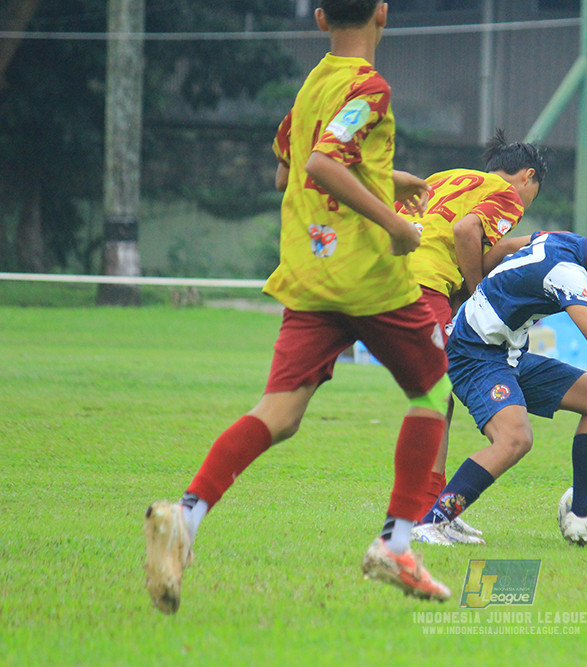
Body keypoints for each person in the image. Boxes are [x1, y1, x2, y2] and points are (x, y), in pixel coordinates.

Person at [142, 0, 453, 614]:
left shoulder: (313, 84)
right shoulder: (371, 87)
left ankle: (186, 516)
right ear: (383, 13)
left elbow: (290, 162)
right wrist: (397, 226)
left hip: (309, 276)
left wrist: (395, 178)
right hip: (368, 279)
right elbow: (321, 164)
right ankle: (397, 542)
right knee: (432, 391)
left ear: (318, 19)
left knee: (279, 413)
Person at [418, 206, 587, 546]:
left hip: (507, 355)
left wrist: (479, 291)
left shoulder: (561, 241)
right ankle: (432, 522)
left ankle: (586, 516)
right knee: (514, 440)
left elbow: (504, 249)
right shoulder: (567, 272)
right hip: (473, 354)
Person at [397, 129, 548, 545]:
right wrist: (480, 293)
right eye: (533, 192)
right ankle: (422, 514)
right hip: (422, 286)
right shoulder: (508, 194)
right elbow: (466, 233)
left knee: (436, 394)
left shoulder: (449, 177)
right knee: (434, 396)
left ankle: (434, 507)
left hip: (387, 277)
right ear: (527, 177)